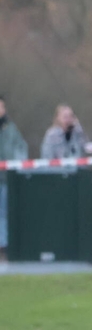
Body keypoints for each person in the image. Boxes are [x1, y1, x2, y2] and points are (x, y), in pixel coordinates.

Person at [0, 96, 29, 260]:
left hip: (6, 178)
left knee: (4, 212)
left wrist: (18, 165)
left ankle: (4, 244)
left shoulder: (11, 129)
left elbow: (21, 147)